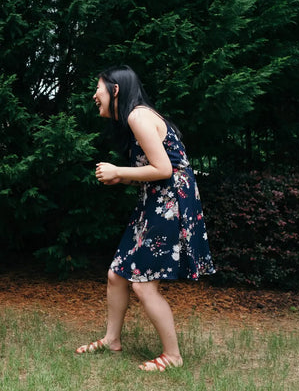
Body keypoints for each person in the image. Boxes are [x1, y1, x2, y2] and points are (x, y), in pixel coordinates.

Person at [75, 66, 215, 371]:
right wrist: (123, 179)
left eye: (97, 89)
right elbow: (156, 169)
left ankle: (173, 356)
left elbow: (165, 169)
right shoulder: (137, 117)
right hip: (156, 201)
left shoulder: (137, 115)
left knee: (142, 284)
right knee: (117, 274)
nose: (93, 96)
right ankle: (112, 340)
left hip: (169, 204)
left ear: (115, 90)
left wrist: (119, 171)